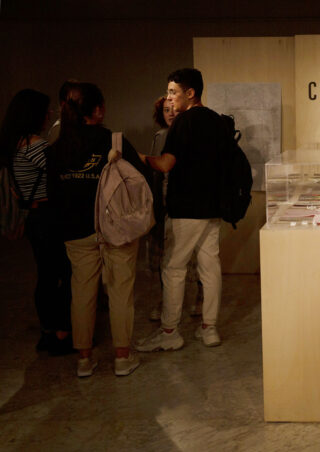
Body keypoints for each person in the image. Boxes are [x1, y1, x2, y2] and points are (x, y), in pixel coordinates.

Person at [48, 82, 149, 376]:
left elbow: (53, 194)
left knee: (81, 293)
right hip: (116, 228)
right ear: (98, 110)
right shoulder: (113, 141)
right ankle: (122, 358)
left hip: (75, 231)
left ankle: (84, 359)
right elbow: (139, 179)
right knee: (120, 291)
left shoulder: (57, 148)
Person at [136, 68, 225, 351]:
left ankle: (170, 332)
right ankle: (210, 329)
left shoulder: (183, 122)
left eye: (173, 92)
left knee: (173, 268)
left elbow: (165, 164)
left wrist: (138, 157)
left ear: (190, 93)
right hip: (213, 206)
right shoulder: (216, 120)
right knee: (210, 267)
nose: (169, 98)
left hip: (186, 207)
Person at [0, 89, 73, 355]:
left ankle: (47, 331)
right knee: (66, 273)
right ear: (34, 114)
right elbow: (63, 174)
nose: (50, 114)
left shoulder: (15, 145)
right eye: (46, 110)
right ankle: (62, 332)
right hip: (49, 216)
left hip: (33, 217)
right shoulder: (37, 147)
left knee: (45, 275)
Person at [146, 96, 202, 321]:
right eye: (166, 110)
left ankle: (198, 297)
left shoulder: (191, 134)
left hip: (187, 202)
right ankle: (165, 302)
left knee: (195, 254)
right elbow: (155, 171)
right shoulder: (160, 136)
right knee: (163, 256)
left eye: (173, 109)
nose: (170, 113)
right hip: (163, 202)